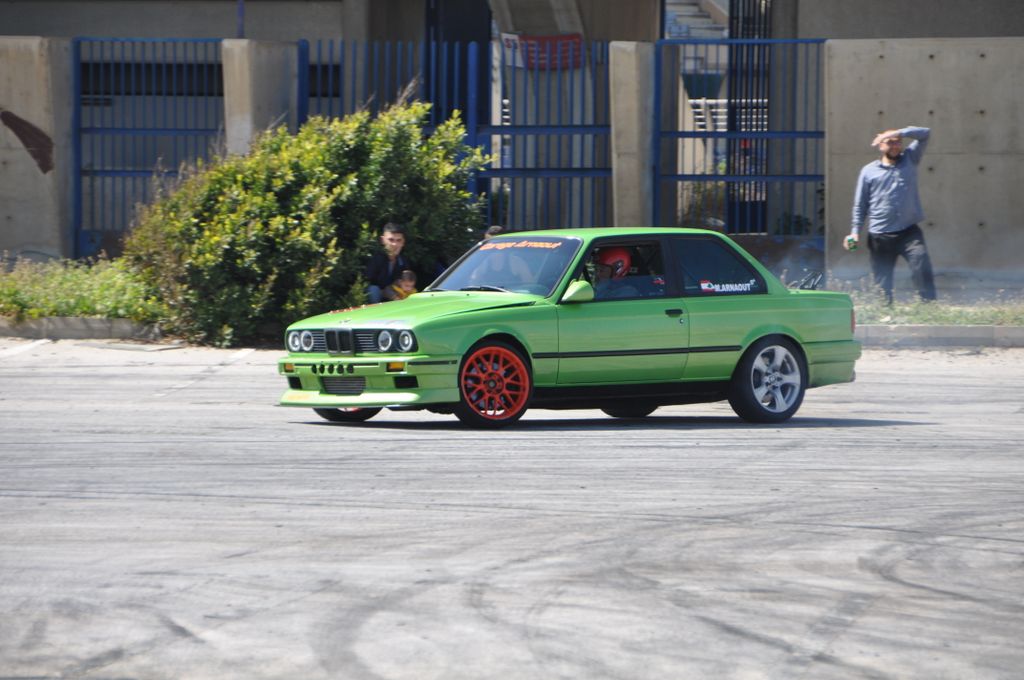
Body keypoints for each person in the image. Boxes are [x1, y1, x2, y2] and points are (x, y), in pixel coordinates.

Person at [845, 126, 937, 304]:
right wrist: (855, 231)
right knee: (882, 281)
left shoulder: (910, 159)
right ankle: (884, 311)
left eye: (898, 142)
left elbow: (925, 133)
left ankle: (929, 307)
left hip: (909, 231)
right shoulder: (868, 171)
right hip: (880, 234)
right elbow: (860, 204)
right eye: (890, 142)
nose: (895, 146)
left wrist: (899, 132)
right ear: (880, 146)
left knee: (921, 263)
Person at [365, 222, 414, 304]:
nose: (395, 244)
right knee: (373, 290)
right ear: (382, 240)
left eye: (399, 240)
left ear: (403, 242)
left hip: (395, 295)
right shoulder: (375, 259)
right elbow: (368, 281)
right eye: (391, 240)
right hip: (378, 295)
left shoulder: (404, 262)